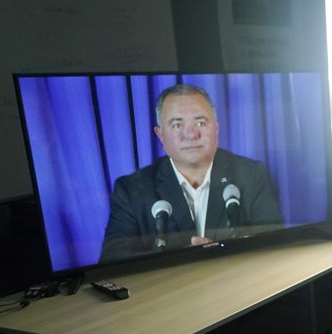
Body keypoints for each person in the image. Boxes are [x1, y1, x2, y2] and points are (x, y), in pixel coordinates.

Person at [99, 84, 283, 263]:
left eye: (201, 123)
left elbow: (275, 245)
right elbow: (112, 258)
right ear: (160, 135)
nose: (191, 134)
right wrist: (177, 259)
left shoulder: (251, 175)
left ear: (216, 129)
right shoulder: (132, 190)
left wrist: (222, 255)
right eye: (177, 125)